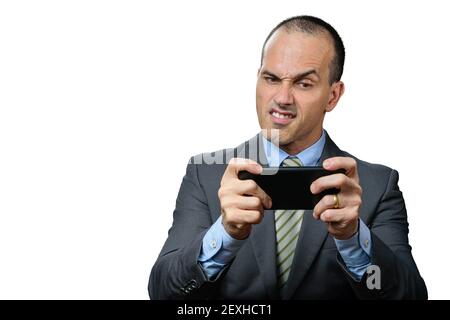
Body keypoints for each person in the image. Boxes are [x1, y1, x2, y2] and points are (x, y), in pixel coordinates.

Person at [148, 15, 427, 299]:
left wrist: (354, 239)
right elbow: (163, 293)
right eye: (271, 79)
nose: (282, 98)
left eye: (303, 84)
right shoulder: (205, 174)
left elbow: (409, 297)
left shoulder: (377, 185)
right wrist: (224, 234)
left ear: (333, 96)